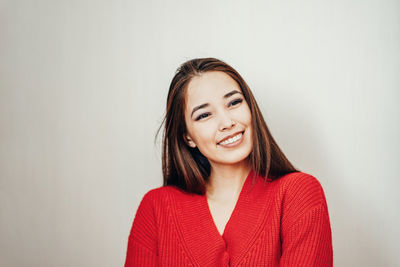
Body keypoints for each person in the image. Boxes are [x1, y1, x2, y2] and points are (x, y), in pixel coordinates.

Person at [124, 58, 333, 266]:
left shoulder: (298, 193)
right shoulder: (155, 208)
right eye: (204, 115)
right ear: (187, 136)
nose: (227, 122)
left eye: (234, 102)